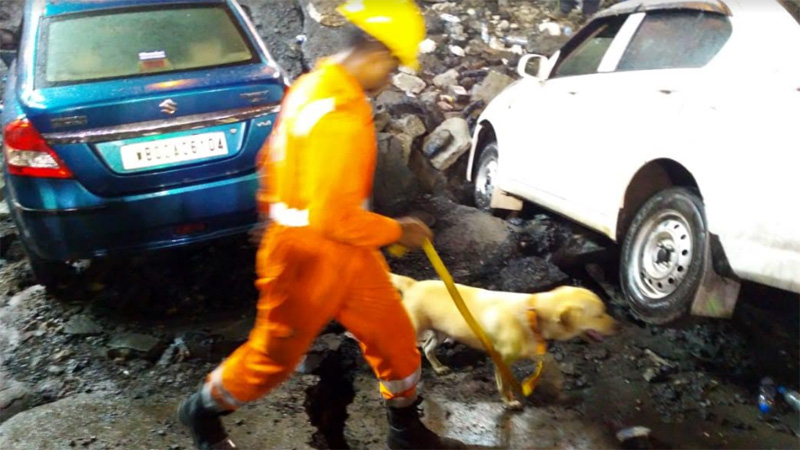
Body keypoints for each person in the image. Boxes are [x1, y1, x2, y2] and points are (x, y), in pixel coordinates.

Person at [177, 1, 465, 449]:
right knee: (273, 357)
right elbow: (331, 215)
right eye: (392, 68)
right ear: (374, 52)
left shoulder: (317, 87)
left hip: (347, 249)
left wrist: (271, 212)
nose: (390, 79)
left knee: (394, 338)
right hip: (306, 257)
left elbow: (270, 161)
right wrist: (398, 231)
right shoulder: (335, 114)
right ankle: (201, 411)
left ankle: (405, 429)